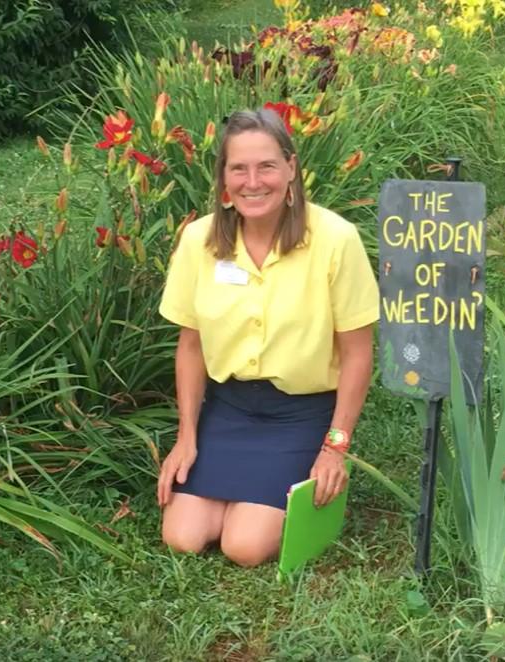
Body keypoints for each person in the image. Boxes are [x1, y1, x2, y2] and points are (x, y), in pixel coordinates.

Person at [156, 108, 380, 568]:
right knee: (183, 536)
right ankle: (239, 493)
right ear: (224, 177)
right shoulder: (199, 241)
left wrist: (335, 446)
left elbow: (358, 354)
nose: (252, 182)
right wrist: (186, 436)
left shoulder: (336, 239)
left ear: (292, 169)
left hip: (300, 413)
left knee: (245, 546)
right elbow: (191, 346)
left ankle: (293, 487)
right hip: (229, 408)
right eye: (239, 168)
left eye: (267, 166)